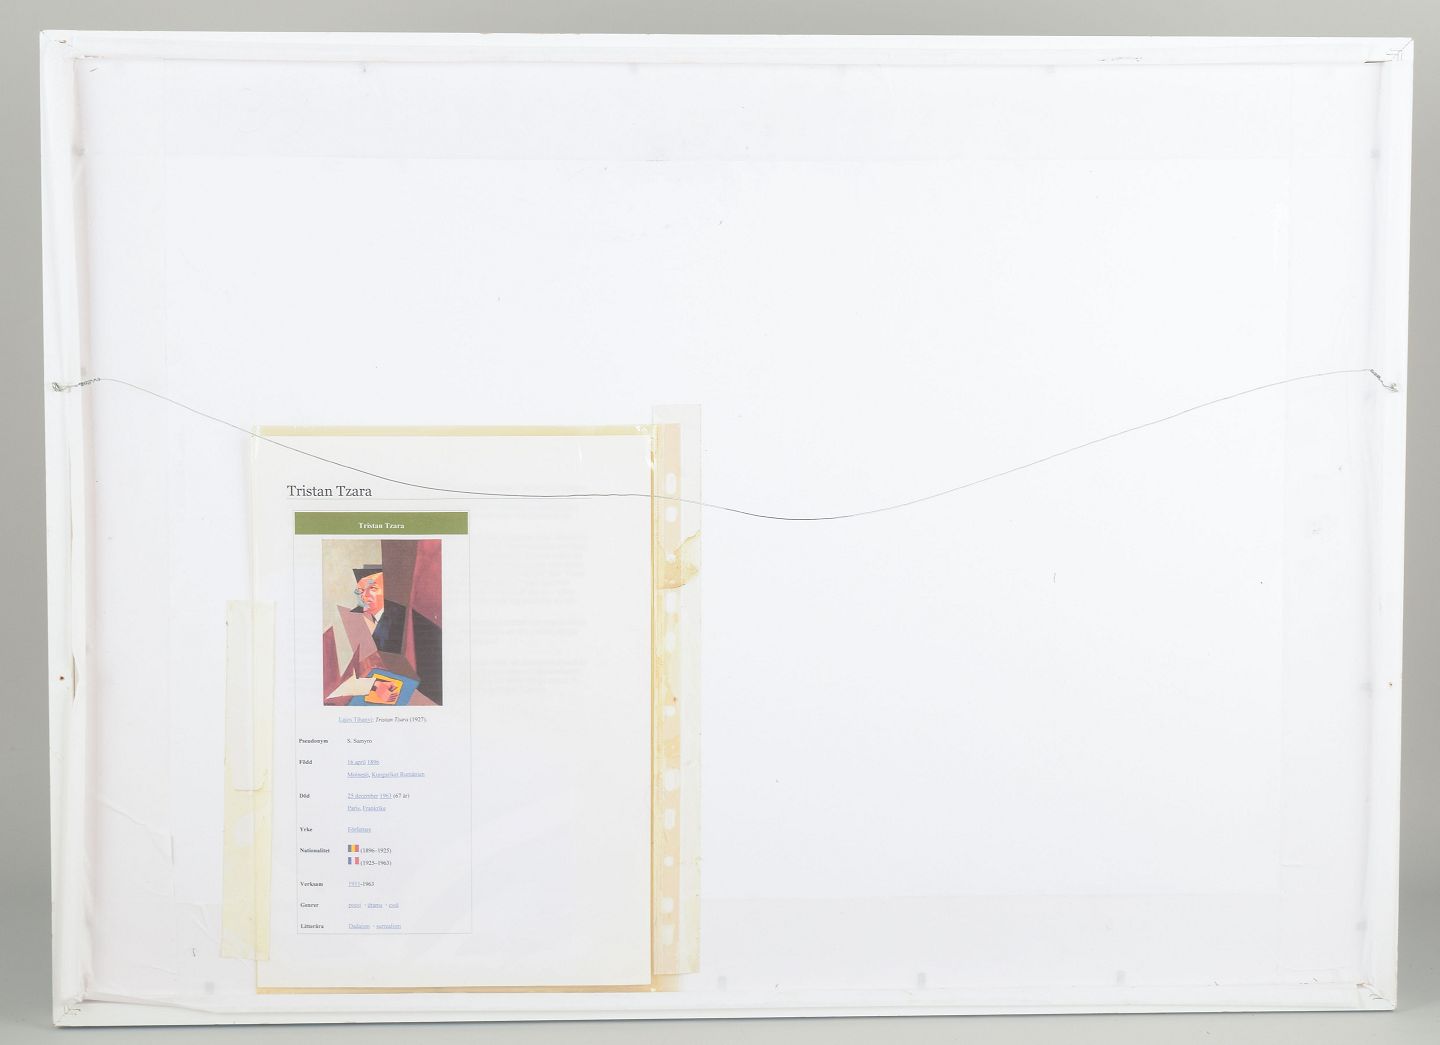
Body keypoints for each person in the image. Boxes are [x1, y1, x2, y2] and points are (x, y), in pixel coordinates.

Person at [349, 564, 444, 704]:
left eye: (373, 588)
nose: (365, 596)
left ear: (388, 591)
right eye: (361, 590)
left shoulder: (406, 620)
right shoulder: (355, 618)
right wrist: (375, 685)